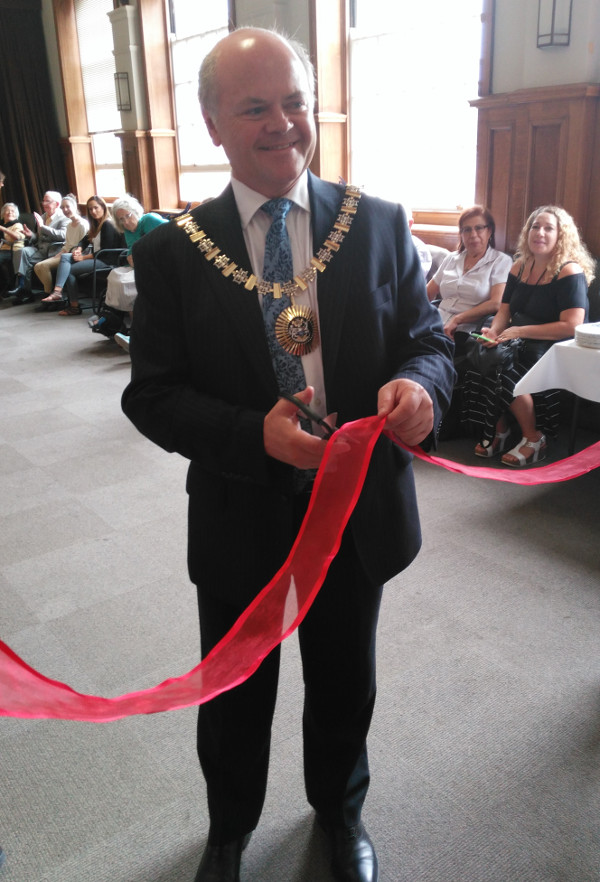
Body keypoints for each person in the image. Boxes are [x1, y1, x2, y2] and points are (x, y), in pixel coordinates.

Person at [121, 28, 454, 882]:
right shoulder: (170, 251)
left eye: (296, 101)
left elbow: (428, 344)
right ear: (212, 125)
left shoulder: (375, 222)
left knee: (346, 678)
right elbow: (150, 395)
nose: (283, 123)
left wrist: (422, 388)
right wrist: (250, 436)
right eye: (255, 107)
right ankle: (229, 829)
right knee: (236, 690)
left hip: (357, 507)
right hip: (241, 504)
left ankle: (340, 816)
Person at [465, 205, 593, 466]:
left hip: (555, 344)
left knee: (502, 368)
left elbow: (571, 325)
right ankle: (500, 430)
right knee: (482, 358)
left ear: (561, 235)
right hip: (518, 336)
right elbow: (504, 310)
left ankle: (534, 438)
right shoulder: (519, 266)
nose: (540, 233)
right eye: (536, 226)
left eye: (549, 228)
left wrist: (518, 331)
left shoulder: (569, 271)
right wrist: (494, 331)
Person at [426, 205, 513, 356]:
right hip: (435, 323)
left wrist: (458, 319)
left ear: (489, 231)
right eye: (467, 229)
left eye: (479, 228)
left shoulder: (500, 261)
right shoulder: (451, 259)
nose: (473, 234)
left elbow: (496, 302)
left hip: (465, 332)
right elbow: (427, 294)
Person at [42, 195, 125, 316]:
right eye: (90, 209)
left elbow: (106, 251)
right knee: (65, 257)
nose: (93, 211)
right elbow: (85, 240)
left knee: (69, 271)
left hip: (106, 261)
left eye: (96, 208)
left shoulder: (108, 224)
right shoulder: (96, 224)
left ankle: (73, 306)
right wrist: (78, 249)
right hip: (97, 258)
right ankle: (58, 291)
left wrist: (83, 257)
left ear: (103, 207)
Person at [9, 191, 69, 304]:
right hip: (40, 249)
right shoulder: (43, 216)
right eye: (43, 200)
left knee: (26, 261)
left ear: (56, 204)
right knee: (22, 251)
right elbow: (38, 238)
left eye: (47, 201)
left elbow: (62, 236)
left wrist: (43, 226)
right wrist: (31, 235)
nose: (44, 203)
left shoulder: (64, 218)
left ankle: (24, 290)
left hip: (54, 250)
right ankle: (23, 288)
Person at [33, 194, 89, 309]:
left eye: (68, 207)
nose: (65, 210)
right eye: (63, 208)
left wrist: (69, 253)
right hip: (65, 254)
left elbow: (84, 246)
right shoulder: (69, 225)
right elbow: (67, 244)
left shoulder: (83, 224)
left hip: (76, 256)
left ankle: (53, 297)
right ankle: (50, 296)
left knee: (42, 266)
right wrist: (60, 253)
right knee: (39, 266)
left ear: (74, 207)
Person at [0, 202, 26, 297]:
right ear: (3, 213)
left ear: (16, 214)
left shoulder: (17, 225)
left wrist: (4, 229)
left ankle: (6, 287)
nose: (10, 213)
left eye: (12, 211)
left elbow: (17, 237)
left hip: (11, 250)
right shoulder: (2, 224)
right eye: (7, 211)